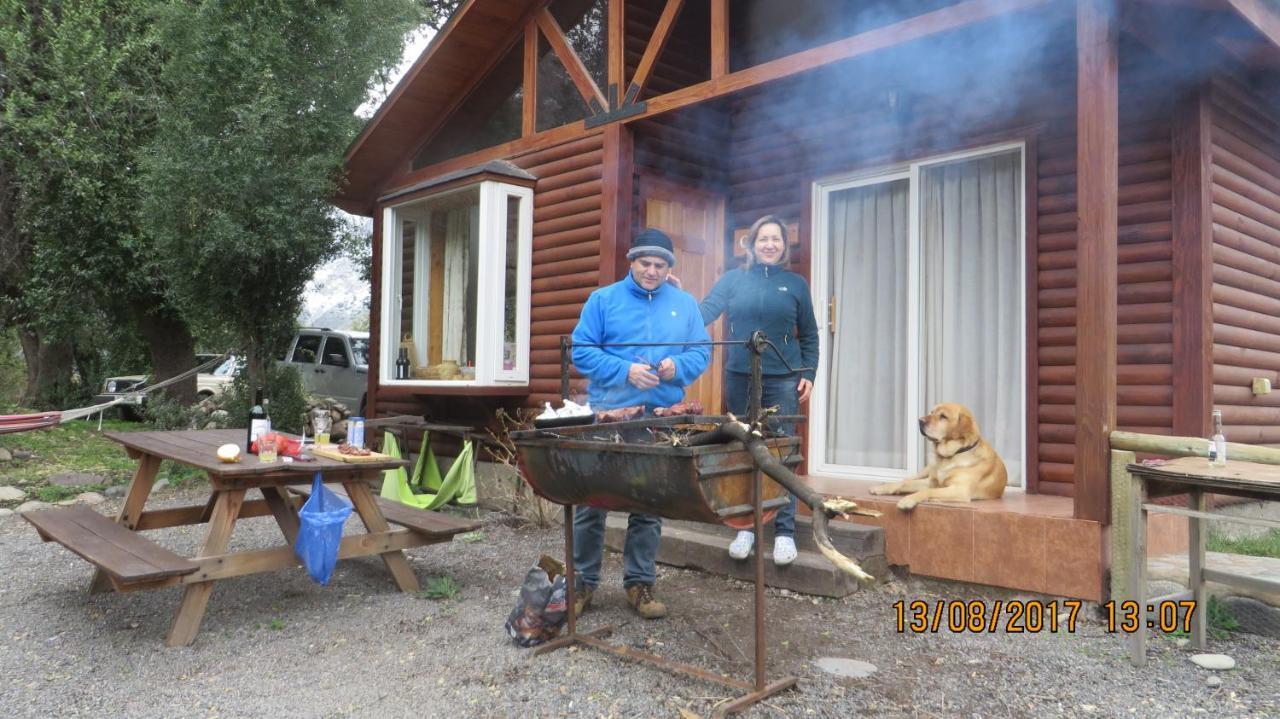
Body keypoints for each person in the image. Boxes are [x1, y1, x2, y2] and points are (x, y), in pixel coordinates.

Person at [570, 228, 711, 620]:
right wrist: (624, 371)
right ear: (631, 262)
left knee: (649, 503)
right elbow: (582, 351)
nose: (652, 271)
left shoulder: (684, 305)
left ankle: (639, 583)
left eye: (660, 265)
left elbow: (701, 352)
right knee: (590, 501)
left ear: (669, 268)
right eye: (645, 263)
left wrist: (676, 367)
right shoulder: (603, 300)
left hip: (658, 418)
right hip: (608, 413)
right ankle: (582, 583)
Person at [698, 214, 819, 566]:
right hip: (740, 375)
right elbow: (703, 312)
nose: (770, 244)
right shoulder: (733, 280)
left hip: (783, 377)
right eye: (763, 238)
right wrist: (673, 301)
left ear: (784, 246)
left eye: (776, 239)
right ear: (750, 244)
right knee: (744, 446)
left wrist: (808, 371)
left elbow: (809, 334)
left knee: (781, 451)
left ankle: (783, 532)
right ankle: (746, 527)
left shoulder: (795, 284)